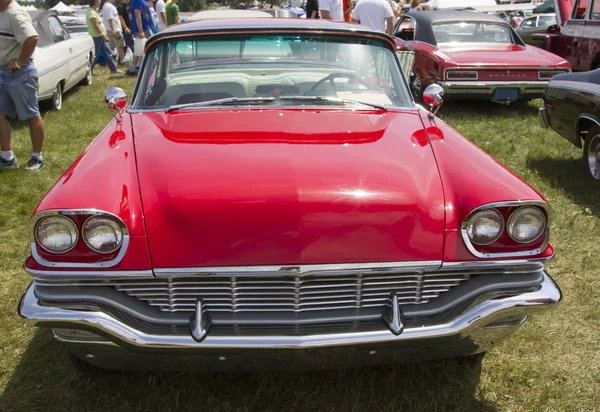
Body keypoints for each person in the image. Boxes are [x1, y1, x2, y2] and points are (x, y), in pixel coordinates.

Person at [0, 0, 45, 170]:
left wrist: (19, 62)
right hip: (3, 70)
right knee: (0, 114)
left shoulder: (15, 13)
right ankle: (7, 157)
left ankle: (37, 158)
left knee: (31, 114)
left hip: (20, 72)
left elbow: (32, 38)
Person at [86, 0, 120, 75]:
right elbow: (96, 26)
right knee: (96, 55)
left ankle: (114, 69)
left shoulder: (94, 11)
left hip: (100, 36)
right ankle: (89, 71)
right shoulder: (91, 13)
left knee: (108, 52)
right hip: (96, 36)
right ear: (95, 2)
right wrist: (103, 35)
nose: (100, 2)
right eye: (98, 1)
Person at [127, 0, 153, 76]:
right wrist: (141, 30)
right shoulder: (138, 1)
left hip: (145, 28)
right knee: (145, 49)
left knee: (139, 50)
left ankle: (133, 69)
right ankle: (140, 69)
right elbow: (138, 15)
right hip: (143, 29)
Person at [102, 0, 125, 65]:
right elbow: (110, 19)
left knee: (112, 47)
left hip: (111, 29)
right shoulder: (109, 6)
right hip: (114, 29)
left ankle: (112, 62)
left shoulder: (107, 5)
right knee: (120, 46)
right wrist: (113, 30)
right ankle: (121, 61)